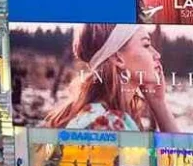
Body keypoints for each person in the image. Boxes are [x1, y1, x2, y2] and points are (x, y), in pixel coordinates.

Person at [44, 24, 181, 132]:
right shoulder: (106, 125)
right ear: (118, 58)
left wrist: (158, 102)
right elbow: (182, 159)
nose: (157, 55)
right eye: (146, 45)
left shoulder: (103, 116)